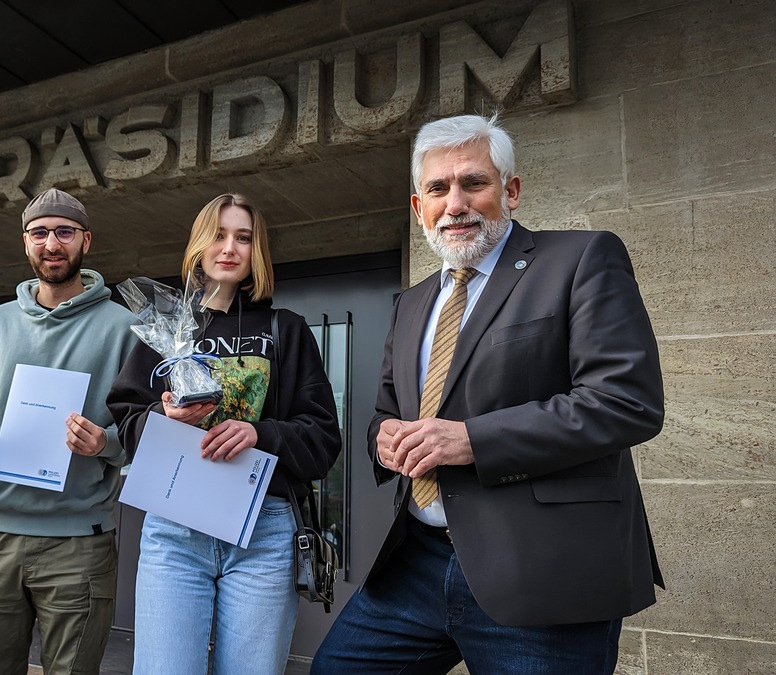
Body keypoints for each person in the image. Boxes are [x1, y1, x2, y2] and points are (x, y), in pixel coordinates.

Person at [313, 113, 665, 673]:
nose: (455, 203)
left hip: (542, 570)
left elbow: (626, 401)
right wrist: (386, 438)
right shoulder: (411, 303)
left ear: (511, 190)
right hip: (416, 563)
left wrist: (473, 440)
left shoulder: (581, 259)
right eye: (438, 188)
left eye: (473, 183)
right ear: (417, 207)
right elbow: (386, 410)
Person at [108, 193, 342, 674]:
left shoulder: (287, 330)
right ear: (199, 244)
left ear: (258, 252)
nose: (230, 247)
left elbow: (322, 440)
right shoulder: (166, 330)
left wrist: (260, 434)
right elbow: (127, 419)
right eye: (218, 234)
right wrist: (164, 419)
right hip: (175, 529)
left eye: (244, 237)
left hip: (264, 531)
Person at [0, 188, 138, 674]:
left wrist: (106, 443)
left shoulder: (125, 326)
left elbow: (145, 425)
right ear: (25, 243)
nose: (52, 243)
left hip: (79, 542)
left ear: (85, 240)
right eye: (40, 233)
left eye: (64, 232)